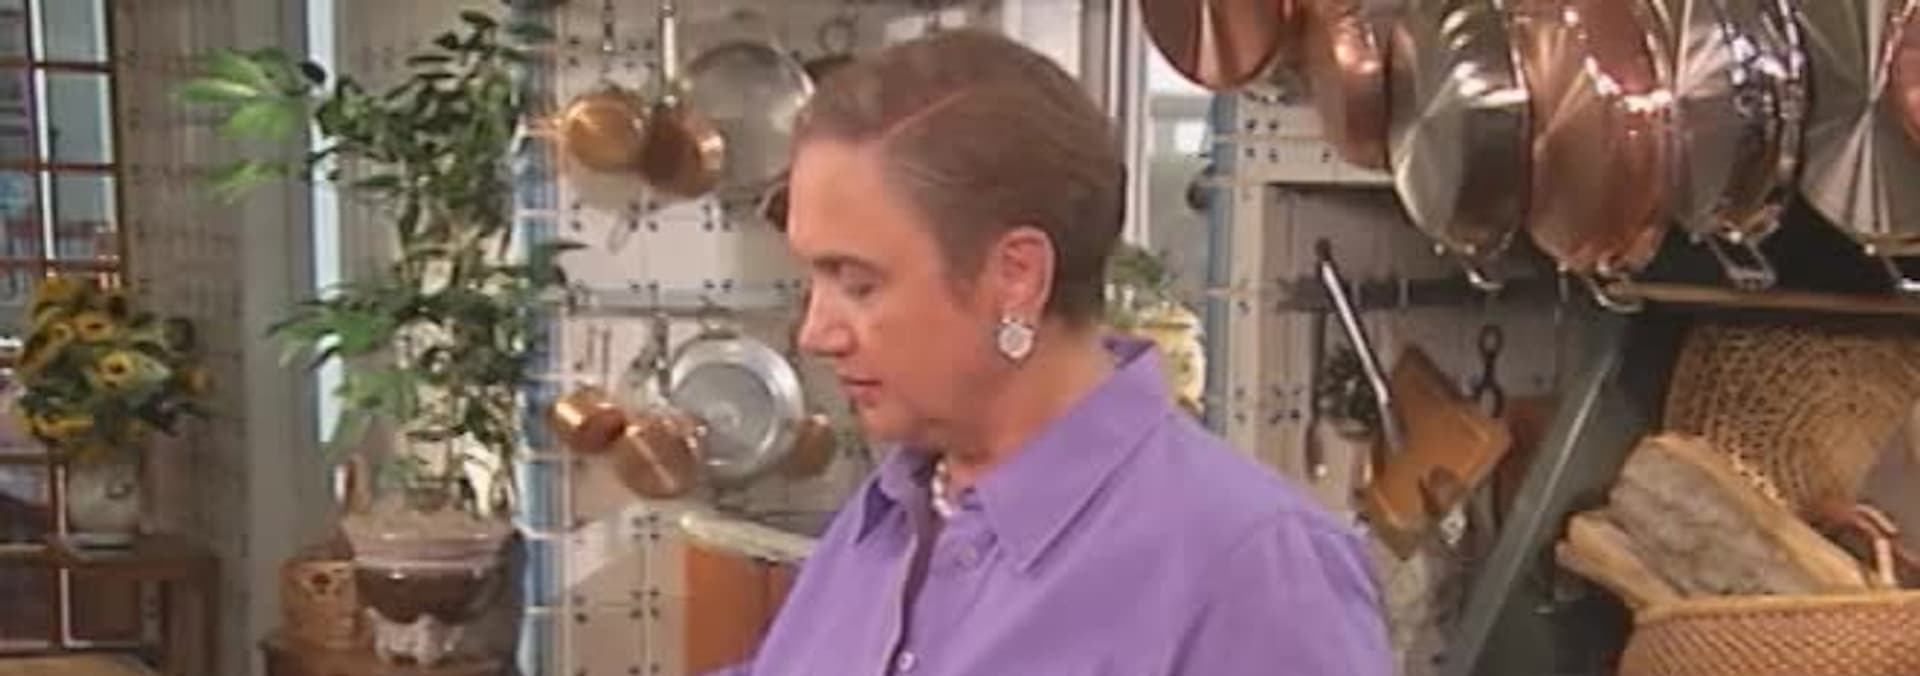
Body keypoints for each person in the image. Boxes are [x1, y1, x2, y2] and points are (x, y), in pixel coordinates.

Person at [713, 29, 1389, 675]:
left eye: (858, 284)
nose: (815, 333)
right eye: (813, 280)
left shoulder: (1250, 571)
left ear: (1016, 276)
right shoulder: (893, 511)